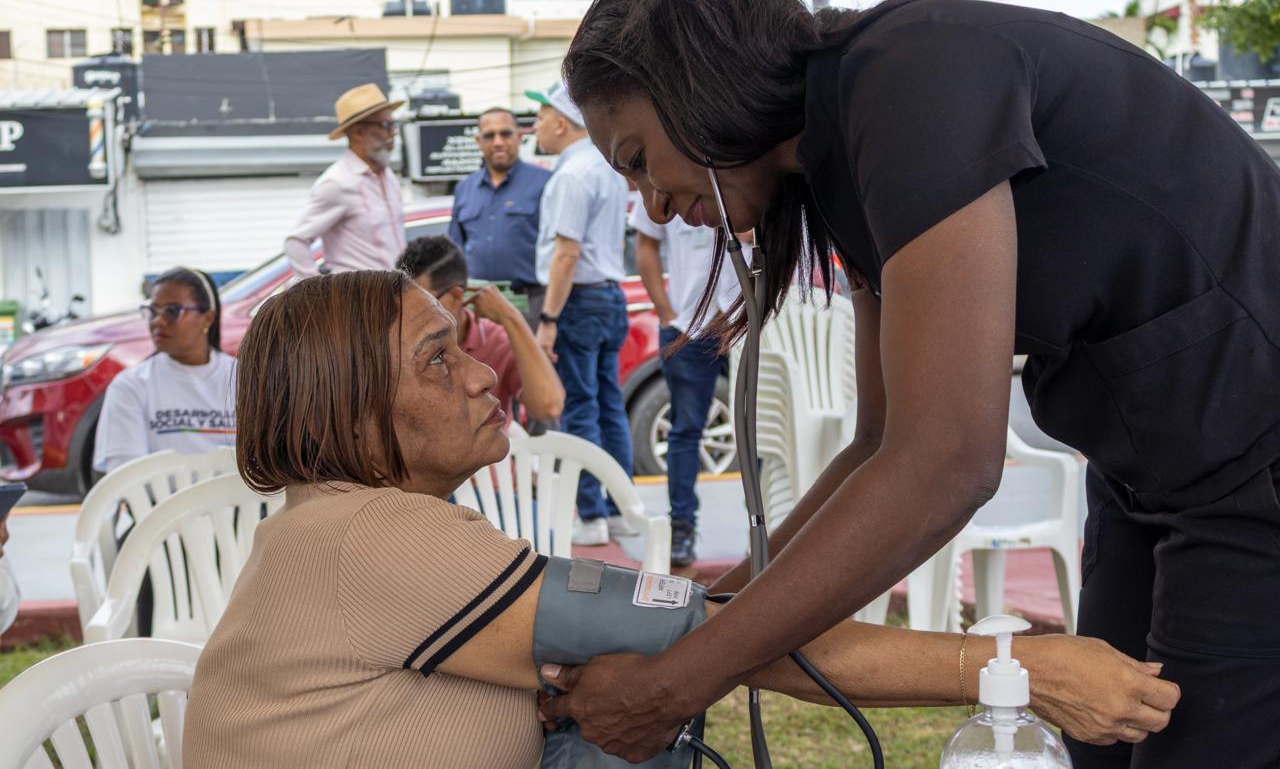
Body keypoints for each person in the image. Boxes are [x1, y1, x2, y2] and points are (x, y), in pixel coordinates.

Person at [546, 0, 1274, 767]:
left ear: (693, 82)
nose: (654, 206)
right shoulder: (835, 165)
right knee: (1106, 747)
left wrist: (678, 681)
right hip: (1151, 468)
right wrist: (700, 613)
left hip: (1255, 456)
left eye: (641, 159)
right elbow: (880, 442)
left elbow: (946, 462)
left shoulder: (911, 82)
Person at [182, 270, 1176, 768]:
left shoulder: (340, 526)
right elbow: (727, 637)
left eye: (463, 344)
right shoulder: (367, 536)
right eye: (437, 360)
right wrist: (1011, 671)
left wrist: (617, 678)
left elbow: (678, 644)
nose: (483, 370)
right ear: (349, 412)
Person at [527, 81, 633, 546]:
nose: (536, 125)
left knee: (581, 409)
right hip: (609, 296)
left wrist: (548, 319)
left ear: (561, 122)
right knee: (610, 407)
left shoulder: (571, 175)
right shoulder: (604, 168)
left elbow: (565, 254)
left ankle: (590, 515)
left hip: (580, 300)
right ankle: (618, 509)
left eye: (540, 115)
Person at [631, 199, 741, 566]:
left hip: (745, 319)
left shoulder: (740, 168)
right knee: (685, 429)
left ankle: (767, 528)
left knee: (760, 427)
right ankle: (682, 529)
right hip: (689, 327)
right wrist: (665, 312)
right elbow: (645, 240)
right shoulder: (667, 172)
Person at [398, 235, 564, 423]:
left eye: (424, 303)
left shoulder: (496, 340)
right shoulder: (404, 345)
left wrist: (510, 317)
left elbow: (549, 407)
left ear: (456, 296)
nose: (411, 315)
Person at [93, 267, 235, 474]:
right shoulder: (131, 385)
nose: (157, 321)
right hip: (158, 506)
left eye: (172, 311)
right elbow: (125, 476)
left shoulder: (245, 381)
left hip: (240, 504)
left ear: (207, 318)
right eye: (152, 311)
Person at [284, 84, 406, 278]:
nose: (393, 133)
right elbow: (295, 242)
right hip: (358, 302)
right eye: (385, 125)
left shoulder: (388, 176)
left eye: (394, 124)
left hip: (394, 296)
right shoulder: (337, 183)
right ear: (358, 132)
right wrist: (319, 294)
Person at [448, 107, 553, 325]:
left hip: (529, 304)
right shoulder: (464, 189)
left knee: (529, 361)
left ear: (519, 137)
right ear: (478, 141)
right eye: (489, 135)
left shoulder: (546, 182)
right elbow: (454, 251)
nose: (498, 142)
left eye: (505, 134)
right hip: (476, 305)